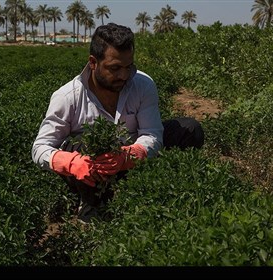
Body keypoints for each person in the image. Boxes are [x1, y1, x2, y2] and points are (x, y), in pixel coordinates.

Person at [32, 23, 204, 224]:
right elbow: (40, 148)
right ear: (93, 63)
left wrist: (128, 155)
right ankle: (90, 205)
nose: (123, 75)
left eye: (128, 67)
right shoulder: (67, 97)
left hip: (130, 158)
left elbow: (152, 134)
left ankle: (167, 188)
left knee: (189, 129)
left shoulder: (142, 85)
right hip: (91, 169)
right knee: (84, 142)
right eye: (114, 68)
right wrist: (71, 163)